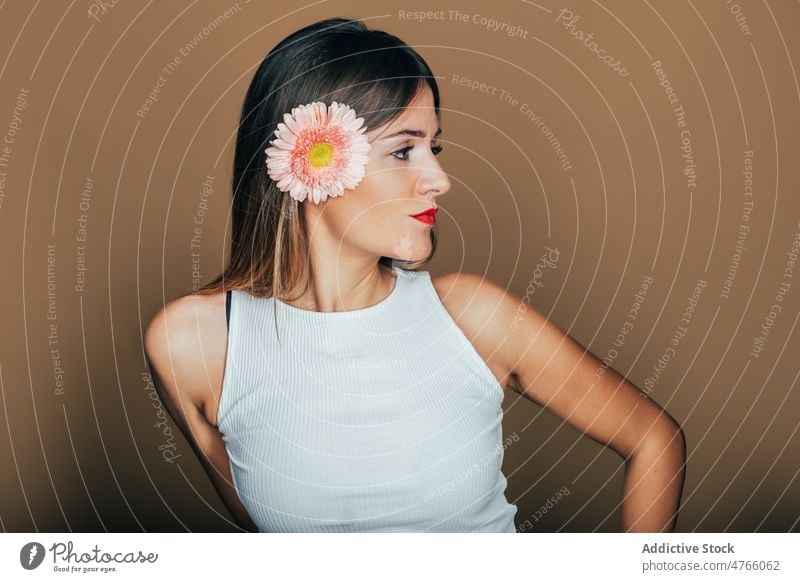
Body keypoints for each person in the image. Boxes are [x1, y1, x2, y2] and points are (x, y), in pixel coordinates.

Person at [143, 17, 686, 533]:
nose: (440, 179)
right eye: (403, 150)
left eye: (434, 146)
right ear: (310, 159)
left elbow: (652, 438)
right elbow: (265, 527)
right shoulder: (194, 344)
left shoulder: (474, 317)